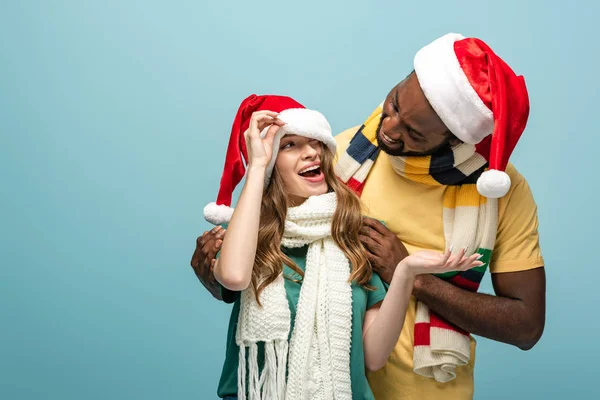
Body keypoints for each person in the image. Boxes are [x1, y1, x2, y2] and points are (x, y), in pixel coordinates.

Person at [193, 33, 546, 400]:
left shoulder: (499, 193)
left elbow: (525, 325)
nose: (389, 130)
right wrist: (216, 269)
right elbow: (271, 252)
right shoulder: (346, 155)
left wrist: (410, 275)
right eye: (393, 105)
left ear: (455, 137)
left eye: (413, 132)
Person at [204, 94, 484, 400]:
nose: (311, 152)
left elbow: (373, 357)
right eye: (290, 145)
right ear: (271, 164)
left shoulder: (355, 236)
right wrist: (257, 165)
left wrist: (406, 272)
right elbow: (233, 277)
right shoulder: (246, 234)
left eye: (315, 143)